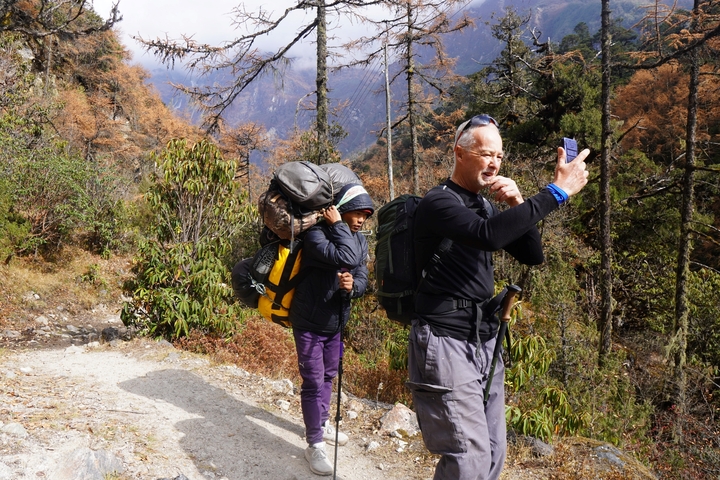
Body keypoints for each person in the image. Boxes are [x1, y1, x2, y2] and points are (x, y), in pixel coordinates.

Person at [407, 114, 590, 480]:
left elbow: (532, 256)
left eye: (500, 156)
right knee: (467, 456)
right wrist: (556, 192)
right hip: (444, 340)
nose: (494, 163)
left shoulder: (486, 206)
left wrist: (517, 201)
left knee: (492, 453)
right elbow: (488, 236)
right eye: (486, 153)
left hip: (485, 340)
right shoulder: (438, 203)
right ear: (460, 153)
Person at [288, 183, 374, 476]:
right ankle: (314, 444)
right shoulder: (316, 234)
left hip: (335, 321)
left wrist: (353, 288)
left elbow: (360, 273)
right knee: (312, 381)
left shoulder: (359, 240)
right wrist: (337, 224)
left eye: (366, 215)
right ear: (341, 209)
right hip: (309, 321)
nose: (361, 220)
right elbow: (346, 258)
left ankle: (322, 424)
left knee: (328, 375)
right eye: (356, 213)